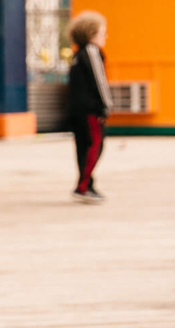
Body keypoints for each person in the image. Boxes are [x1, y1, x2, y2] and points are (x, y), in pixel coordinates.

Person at [67, 11, 112, 204]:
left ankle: (87, 183)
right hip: (90, 110)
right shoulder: (92, 52)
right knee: (95, 145)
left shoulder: (77, 54)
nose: (105, 37)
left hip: (78, 110)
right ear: (91, 33)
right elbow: (99, 81)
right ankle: (83, 186)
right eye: (102, 32)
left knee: (83, 147)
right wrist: (106, 106)